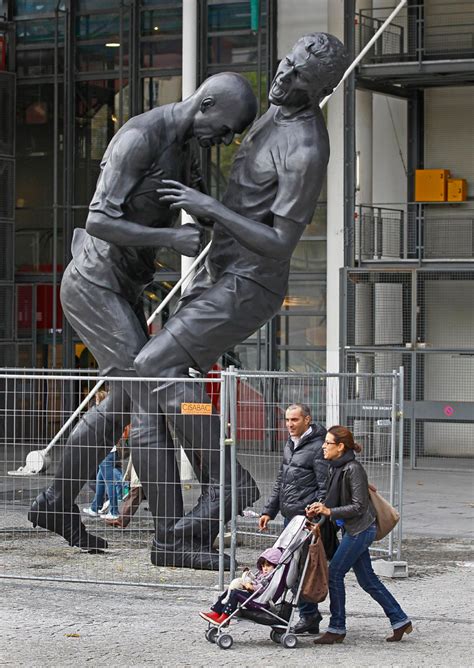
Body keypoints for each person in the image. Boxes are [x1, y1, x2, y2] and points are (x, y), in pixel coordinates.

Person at [133, 32, 349, 570]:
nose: (283, 77)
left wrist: (209, 206)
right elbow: (245, 200)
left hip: (249, 284)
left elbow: (280, 242)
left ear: (324, 88)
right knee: (158, 377)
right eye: (285, 64)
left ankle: (229, 484)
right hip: (220, 273)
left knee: (152, 365)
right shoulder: (271, 111)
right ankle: (181, 533)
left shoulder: (307, 147)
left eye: (299, 76)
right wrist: (206, 205)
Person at [28, 72, 258, 555]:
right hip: (93, 285)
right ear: (207, 104)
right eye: (228, 127)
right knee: (149, 394)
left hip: (125, 289)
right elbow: (98, 219)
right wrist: (168, 239)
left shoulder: (188, 147)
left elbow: (204, 209)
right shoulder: (139, 136)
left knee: (120, 404)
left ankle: (55, 499)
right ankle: (168, 538)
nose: (227, 139)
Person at [306, 426, 412, 645]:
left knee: (335, 572)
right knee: (368, 580)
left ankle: (337, 627)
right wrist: (320, 507)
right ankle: (400, 620)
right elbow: (333, 499)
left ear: (341, 446)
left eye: (328, 443)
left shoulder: (353, 468)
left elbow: (359, 506)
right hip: (352, 529)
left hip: (360, 529)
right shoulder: (335, 467)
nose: (323, 446)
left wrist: (329, 511)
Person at [258, 403, 328, 635]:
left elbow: (323, 486)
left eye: (294, 420)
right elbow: (282, 480)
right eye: (287, 420)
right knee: (291, 567)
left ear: (307, 420)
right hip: (291, 517)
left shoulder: (318, 447)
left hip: (305, 520)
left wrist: (314, 516)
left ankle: (309, 615)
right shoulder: (291, 444)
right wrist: (269, 510)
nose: (289, 424)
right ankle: (308, 615)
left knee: (300, 568)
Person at [199, 547, 282, 625]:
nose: (265, 569)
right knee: (231, 589)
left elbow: (260, 587)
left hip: (258, 600)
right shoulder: (262, 575)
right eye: (263, 566)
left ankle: (225, 617)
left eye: (268, 566)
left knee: (235, 593)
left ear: (275, 566)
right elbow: (256, 581)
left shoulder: (269, 578)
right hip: (254, 595)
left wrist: (251, 586)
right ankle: (216, 612)